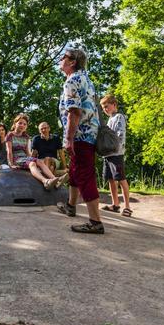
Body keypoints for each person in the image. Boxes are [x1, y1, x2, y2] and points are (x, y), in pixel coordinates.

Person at [56, 48, 105, 234]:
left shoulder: (72, 80)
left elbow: (74, 111)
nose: (61, 60)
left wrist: (69, 139)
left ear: (72, 62)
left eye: (64, 57)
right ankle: (70, 205)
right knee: (75, 171)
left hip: (80, 135)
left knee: (84, 174)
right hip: (89, 133)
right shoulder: (86, 79)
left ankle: (95, 222)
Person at [6, 113, 61, 190]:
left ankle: (56, 180)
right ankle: (45, 181)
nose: (22, 125)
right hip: (16, 159)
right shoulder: (10, 135)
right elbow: (9, 152)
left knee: (39, 161)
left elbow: (27, 152)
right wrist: (11, 164)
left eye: (24, 124)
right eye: (20, 123)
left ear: (26, 126)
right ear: (15, 124)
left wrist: (32, 159)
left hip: (24, 158)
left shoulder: (26, 137)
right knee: (32, 163)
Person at [100, 94, 132, 217]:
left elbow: (120, 135)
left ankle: (128, 207)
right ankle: (115, 204)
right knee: (111, 179)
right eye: (103, 108)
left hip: (116, 153)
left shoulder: (119, 117)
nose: (105, 109)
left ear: (114, 105)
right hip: (107, 154)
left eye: (107, 106)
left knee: (121, 179)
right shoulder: (109, 119)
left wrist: (115, 148)